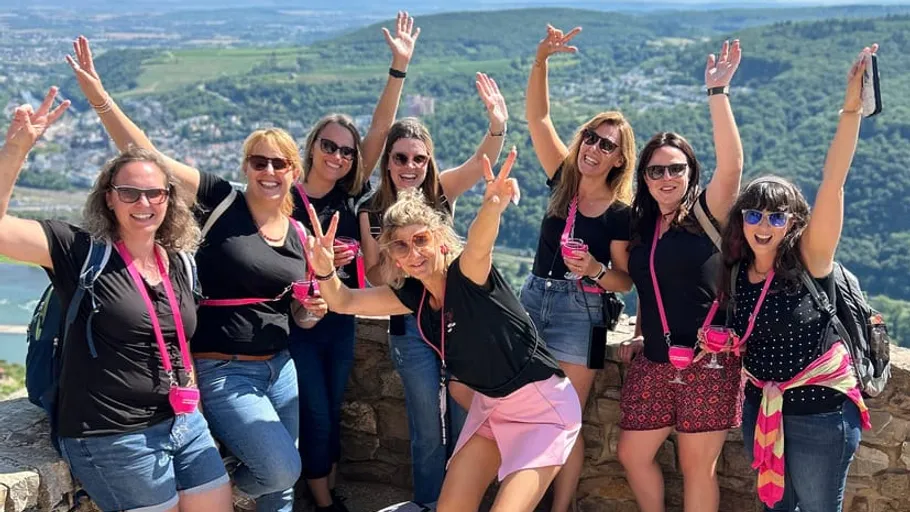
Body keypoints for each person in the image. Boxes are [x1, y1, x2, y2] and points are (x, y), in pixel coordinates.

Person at [66, 38, 326, 512]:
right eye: (258, 161)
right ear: (245, 166)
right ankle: (207, 496)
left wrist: (310, 312)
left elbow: (299, 311)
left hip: (280, 367)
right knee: (280, 468)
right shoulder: (221, 201)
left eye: (279, 163)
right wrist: (101, 99)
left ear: (294, 171)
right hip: (223, 369)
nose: (268, 170)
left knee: (283, 486)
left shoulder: (297, 232)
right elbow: (146, 156)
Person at [305, 150, 581, 512]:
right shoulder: (415, 297)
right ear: (393, 256)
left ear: (440, 240)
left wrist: (491, 208)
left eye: (420, 239)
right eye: (400, 245)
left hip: (542, 409)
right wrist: (324, 270)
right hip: (492, 408)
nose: (413, 252)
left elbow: (480, 242)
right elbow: (345, 302)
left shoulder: (468, 277)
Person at [0, 88, 233, 512]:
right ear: (109, 197)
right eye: (130, 193)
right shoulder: (80, 251)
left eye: (155, 193)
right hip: (111, 433)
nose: (144, 203)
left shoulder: (179, 260)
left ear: (169, 197)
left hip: (182, 421)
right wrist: (17, 148)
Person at [721, 45, 877, 512]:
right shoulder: (737, 272)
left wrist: (851, 110)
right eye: (753, 214)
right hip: (759, 408)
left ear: (794, 222)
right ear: (741, 221)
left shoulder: (812, 260)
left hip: (821, 414)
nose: (763, 225)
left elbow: (834, 182)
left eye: (776, 216)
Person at [288, 11, 420, 511]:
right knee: (317, 414)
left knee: (334, 410)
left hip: (340, 315)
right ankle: (322, 503)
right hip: (297, 321)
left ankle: (329, 492)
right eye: (329, 146)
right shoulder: (286, 198)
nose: (339, 156)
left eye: (346, 151)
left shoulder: (348, 195)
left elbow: (382, 128)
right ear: (313, 147)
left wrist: (398, 69)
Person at [357, 71, 508, 506]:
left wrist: (497, 124)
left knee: (466, 427)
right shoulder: (371, 211)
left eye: (419, 159)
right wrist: (401, 258)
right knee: (425, 430)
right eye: (401, 158)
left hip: (458, 327)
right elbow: (373, 277)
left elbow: (484, 160)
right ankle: (428, 503)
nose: (410, 167)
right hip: (409, 329)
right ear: (388, 161)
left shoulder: (440, 193)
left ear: (429, 163)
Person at [616, 40, 745, 512]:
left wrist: (718, 93)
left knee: (697, 468)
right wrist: (637, 330)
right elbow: (651, 285)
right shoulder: (643, 225)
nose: (665, 177)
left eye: (676, 168)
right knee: (631, 454)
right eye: (655, 170)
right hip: (653, 359)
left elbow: (732, 166)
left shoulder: (708, 215)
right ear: (644, 178)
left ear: (691, 173)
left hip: (710, 361)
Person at [521, 24, 636, 512]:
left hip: (580, 314)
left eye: (606, 145)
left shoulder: (619, 214)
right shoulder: (564, 179)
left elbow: (625, 282)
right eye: (591, 136)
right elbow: (538, 117)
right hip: (533, 298)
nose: (593, 147)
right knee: (522, 409)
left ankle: (559, 508)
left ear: (618, 160)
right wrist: (542, 60)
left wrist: (592, 267)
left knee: (566, 419)